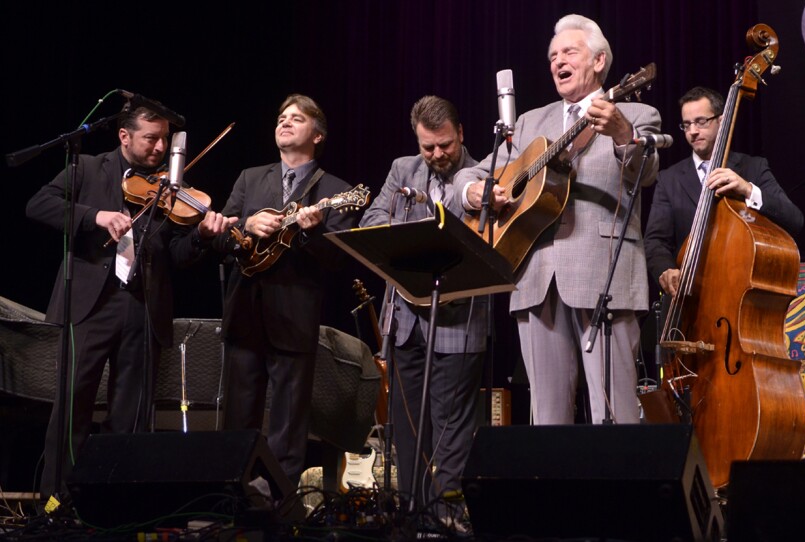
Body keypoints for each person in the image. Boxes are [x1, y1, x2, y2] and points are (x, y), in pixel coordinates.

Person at [453, 14, 661, 426]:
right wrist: (471, 192)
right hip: (535, 278)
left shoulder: (636, 112)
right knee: (546, 420)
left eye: (569, 51)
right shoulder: (532, 121)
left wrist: (622, 135)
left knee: (615, 416)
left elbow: (646, 174)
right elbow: (480, 171)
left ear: (599, 61)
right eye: (552, 56)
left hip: (603, 273)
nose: (557, 62)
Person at [26, 104, 236, 498]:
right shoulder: (87, 168)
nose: (160, 148)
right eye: (150, 138)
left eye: (164, 140)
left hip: (143, 306)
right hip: (90, 303)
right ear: (124, 136)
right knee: (72, 408)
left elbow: (177, 255)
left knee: (132, 414)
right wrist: (95, 217)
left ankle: (114, 501)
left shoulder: (170, 189)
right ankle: (56, 501)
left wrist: (203, 238)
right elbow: (38, 204)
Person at [215, 94, 358, 488]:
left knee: (288, 422)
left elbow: (338, 258)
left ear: (318, 135)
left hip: (295, 316)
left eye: (297, 118)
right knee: (237, 415)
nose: (285, 122)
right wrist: (247, 224)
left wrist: (313, 232)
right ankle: (230, 494)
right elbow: (222, 235)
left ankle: (278, 498)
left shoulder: (337, 189)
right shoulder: (250, 177)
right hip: (245, 309)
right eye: (281, 117)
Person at [359, 96, 485, 522]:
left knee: (450, 430)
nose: (436, 155)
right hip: (405, 323)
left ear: (461, 133)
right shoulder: (403, 169)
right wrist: (408, 234)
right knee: (409, 433)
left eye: (445, 145)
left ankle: (446, 516)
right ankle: (415, 515)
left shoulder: (482, 172)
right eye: (427, 147)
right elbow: (372, 219)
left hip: (457, 320)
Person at [643, 86, 804, 296]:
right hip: (689, 298)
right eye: (687, 124)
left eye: (701, 122)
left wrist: (747, 189)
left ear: (721, 121)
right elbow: (655, 241)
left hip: (741, 293)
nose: (693, 131)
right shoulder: (668, 179)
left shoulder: (753, 168)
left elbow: (794, 220)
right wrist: (667, 270)